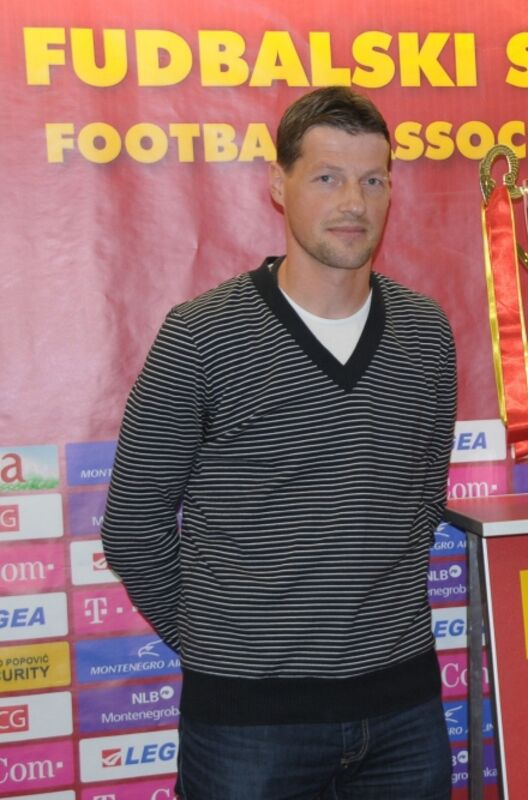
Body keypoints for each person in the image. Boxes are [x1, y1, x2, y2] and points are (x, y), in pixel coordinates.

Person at [101, 87, 456, 799]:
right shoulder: (201, 336)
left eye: (373, 180)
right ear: (277, 184)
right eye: (327, 177)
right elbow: (133, 527)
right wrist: (223, 650)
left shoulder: (426, 335)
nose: (353, 202)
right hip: (247, 730)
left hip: (404, 716)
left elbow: (421, 504)